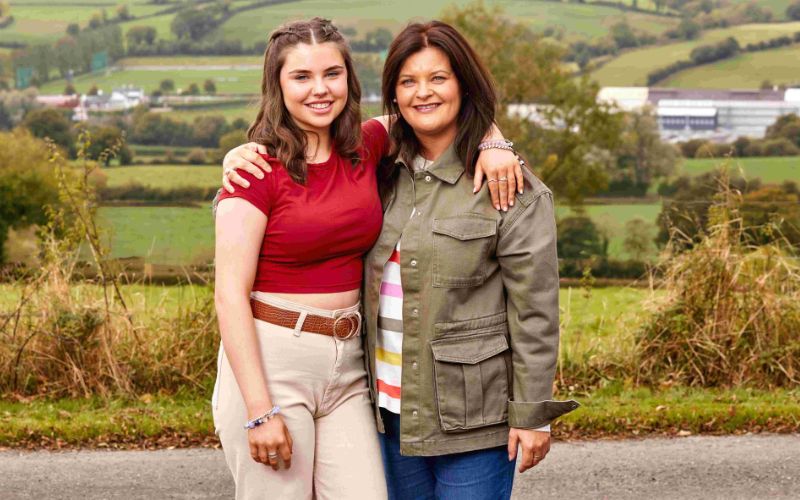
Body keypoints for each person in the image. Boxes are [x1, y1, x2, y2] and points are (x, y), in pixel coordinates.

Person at [213, 17, 522, 500]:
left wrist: (496, 142)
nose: (320, 89)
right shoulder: (254, 172)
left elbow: (436, 109)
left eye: (332, 74)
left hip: (351, 366)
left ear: (349, 80)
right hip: (274, 359)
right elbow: (229, 296)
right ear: (277, 85)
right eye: (301, 77)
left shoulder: (367, 144)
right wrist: (259, 410)